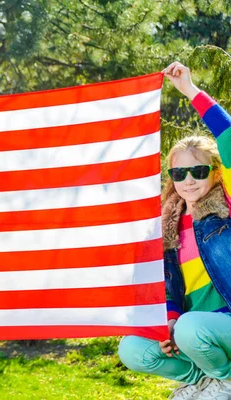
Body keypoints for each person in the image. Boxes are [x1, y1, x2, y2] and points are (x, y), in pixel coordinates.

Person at [118, 61, 231, 400]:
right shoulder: (166, 225)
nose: (189, 180)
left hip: (218, 326)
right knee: (132, 348)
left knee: (190, 327)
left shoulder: (226, 206)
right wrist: (168, 320)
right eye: (179, 174)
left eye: (197, 170)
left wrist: (190, 91)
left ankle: (224, 380)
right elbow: (164, 282)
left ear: (215, 172)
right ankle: (201, 381)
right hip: (192, 332)